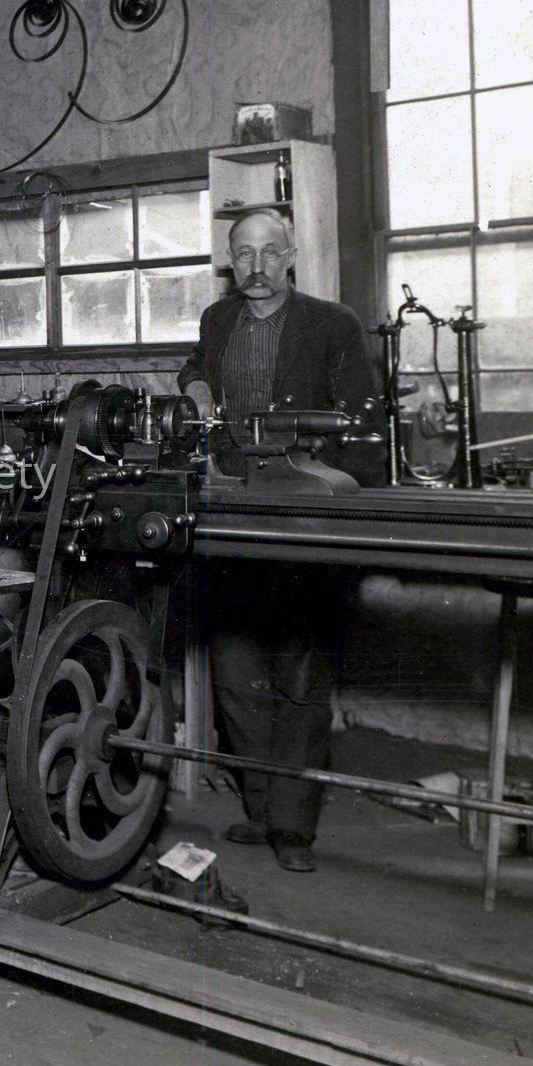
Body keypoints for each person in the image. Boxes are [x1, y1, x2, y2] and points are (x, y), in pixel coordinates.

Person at [175, 208, 380, 874]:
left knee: (299, 672)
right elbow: (196, 364)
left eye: (270, 252)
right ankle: (262, 808)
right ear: (230, 261)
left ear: (291, 257)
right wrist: (197, 387)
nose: (257, 266)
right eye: (244, 253)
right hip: (234, 508)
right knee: (236, 671)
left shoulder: (333, 323)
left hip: (303, 512)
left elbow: (362, 418)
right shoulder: (218, 319)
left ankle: (292, 827)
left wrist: (319, 478)